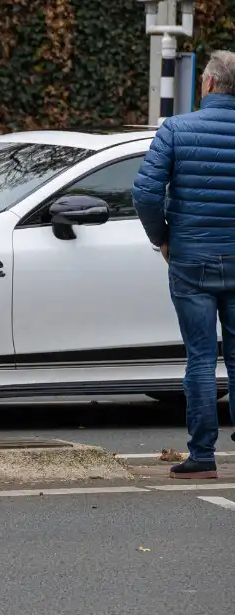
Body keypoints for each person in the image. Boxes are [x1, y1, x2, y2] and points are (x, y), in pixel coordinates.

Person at [132, 50, 235, 480]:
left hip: (191, 259)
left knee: (199, 357)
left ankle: (202, 456)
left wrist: (163, 237)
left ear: (207, 84)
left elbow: (145, 194)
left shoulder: (175, 129)